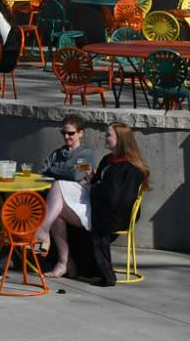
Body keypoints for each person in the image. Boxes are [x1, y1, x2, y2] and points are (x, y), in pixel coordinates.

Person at [34, 121, 148, 284]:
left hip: (108, 215)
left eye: (109, 135)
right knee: (57, 199)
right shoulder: (108, 160)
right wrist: (91, 178)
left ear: (121, 139)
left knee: (58, 194)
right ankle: (64, 262)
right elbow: (95, 179)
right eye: (64, 133)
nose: (105, 137)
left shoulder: (128, 168)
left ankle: (46, 236)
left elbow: (115, 198)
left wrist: (91, 188)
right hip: (95, 203)